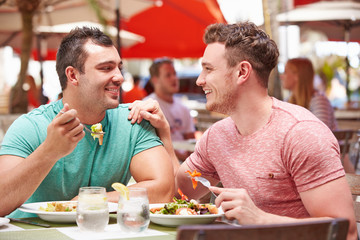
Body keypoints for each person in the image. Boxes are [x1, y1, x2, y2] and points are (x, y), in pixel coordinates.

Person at [128, 22, 357, 240]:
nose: (199, 80)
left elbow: (345, 232)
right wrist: (164, 133)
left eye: (208, 69)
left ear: (242, 72)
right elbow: (180, 192)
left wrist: (258, 218)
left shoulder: (301, 134)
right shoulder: (217, 136)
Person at [0, 27, 174, 218]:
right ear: (73, 75)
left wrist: (89, 201)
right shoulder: (31, 126)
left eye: (119, 67)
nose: (119, 77)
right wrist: (49, 151)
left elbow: (163, 190)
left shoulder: (133, 120)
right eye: (106, 68)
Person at [282, 57, 355, 173]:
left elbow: (320, 137)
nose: (282, 76)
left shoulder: (319, 100)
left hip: (331, 165)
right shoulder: (287, 101)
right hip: (304, 162)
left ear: (297, 76)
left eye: (285, 72)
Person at [145, 58, 196, 161]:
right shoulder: (147, 106)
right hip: (162, 162)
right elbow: (152, 144)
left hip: (186, 162)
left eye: (175, 74)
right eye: (168, 75)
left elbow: (191, 139)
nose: (174, 78)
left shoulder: (183, 107)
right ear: (155, 80)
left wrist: (190, 160)